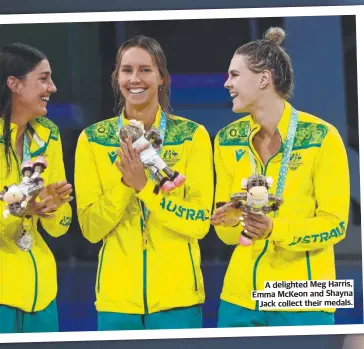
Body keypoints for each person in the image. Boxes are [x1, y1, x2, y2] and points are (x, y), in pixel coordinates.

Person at [211, 27, 350, 327]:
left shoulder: (322, 137)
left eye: (235, 75)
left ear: (264, 78)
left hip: (304, 299)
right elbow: (226, 235)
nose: (226, 83)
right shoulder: (226, 140)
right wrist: (230, 220)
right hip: (239, 300)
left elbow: (336, 225)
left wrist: (274, 229)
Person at [74, 35, 213, 331]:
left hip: (179, 301)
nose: (135, 79)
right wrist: (126, 184)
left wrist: (145, 189)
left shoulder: (192, 136)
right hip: (116, 303)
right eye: (127, 70)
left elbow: (199, 222)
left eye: (145, 70)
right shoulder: (92, 140)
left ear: (161, 77)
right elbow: (91, 228)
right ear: (117, 78)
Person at [0, 43, 73, 333]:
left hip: (42, 294)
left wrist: (53, 208)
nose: (52, 87)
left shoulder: (47, 134)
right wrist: (18, 210)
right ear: (14, 84)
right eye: (43, 78)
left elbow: (60, 227)